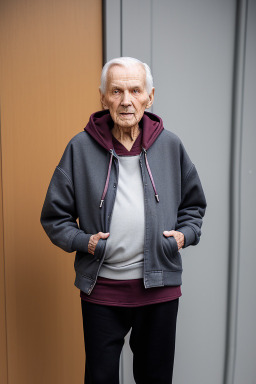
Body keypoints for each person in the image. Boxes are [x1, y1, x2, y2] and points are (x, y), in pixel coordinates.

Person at [40, 57, 207, 384]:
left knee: (155, 378)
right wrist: (82, 241)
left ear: (150, 96)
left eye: (135, 90)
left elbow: (194, 205)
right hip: (102, 291)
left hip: (159, 289)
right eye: (116, 91)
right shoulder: (80, 148)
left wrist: (183, 237)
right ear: (103, 98)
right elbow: (54, 216)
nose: (126, 100)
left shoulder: (171, 145)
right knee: (100, 378)